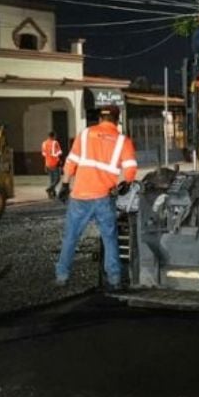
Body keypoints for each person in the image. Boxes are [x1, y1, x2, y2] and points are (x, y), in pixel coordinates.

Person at [55, 106, 137, 290]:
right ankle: (114, 279)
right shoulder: (122, 141)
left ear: (100, 119)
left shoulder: (84, 135)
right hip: (104, 197)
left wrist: (65, 185)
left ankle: (62, 275)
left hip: (80, 196)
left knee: (71, 237)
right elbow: (130, 168)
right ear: (117, 121)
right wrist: (124, 184)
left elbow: (70, 162)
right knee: (109, 238)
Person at [41, 131, 62, 199]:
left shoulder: (44, 143)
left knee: (52, 179)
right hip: (55, 163)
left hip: (47, 163)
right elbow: (59, 153)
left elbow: (44, 154)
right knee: (58, 179)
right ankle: (49, 189)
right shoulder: (55, 142)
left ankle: (52, 194)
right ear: (53, 136)